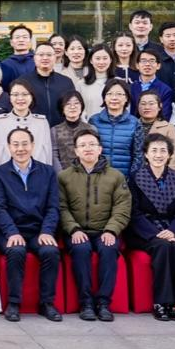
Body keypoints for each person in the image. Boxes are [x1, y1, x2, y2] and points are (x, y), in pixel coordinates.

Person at [58, 128, 131, 321]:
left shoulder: (116, 176)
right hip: (76, 230)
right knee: (81, 249)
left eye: (92, 144)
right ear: (76, 151)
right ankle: (86, 303)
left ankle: (103, 303)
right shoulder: (64, 177)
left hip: (104, 230)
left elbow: (122, 207)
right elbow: (61, 207)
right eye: (82, 145)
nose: (87, 148)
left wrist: (111, 230)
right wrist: (73, 228)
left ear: (100, 149)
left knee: (109, 249)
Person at [0, 127, 62, 322]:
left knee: (50, 251)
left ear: (32, 146)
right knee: (16, 250)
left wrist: (47, 231)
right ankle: (14, 303)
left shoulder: (47, 172)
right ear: (8, 147)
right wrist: (12, 232)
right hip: (9, 231)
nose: (20, 148)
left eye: (24, 144)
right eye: (15, 144)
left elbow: (53, 207)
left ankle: (47, 303)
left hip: (38, 231)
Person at [128, 132, 175, 321]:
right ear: (146, 154)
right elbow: (134, 213)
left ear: (169, 154)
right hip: (144, 231)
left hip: (171, 229)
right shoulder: (135, 178)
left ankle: (173, 303)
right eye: (154, 150)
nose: (158, 155)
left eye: (163, 150)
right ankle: (160, 302)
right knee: (163, 246)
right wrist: (156, 233)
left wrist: (173, 231)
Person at [0, 80, 54, 167]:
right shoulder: (0, 122)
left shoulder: (41, 122)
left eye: (25, 94)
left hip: (37, 172)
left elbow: (47, 154)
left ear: (31, 97)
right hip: (7, 173)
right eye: (15, 95)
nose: (20, 98)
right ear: (10, 97)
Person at [88, 78, 139, 175]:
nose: (114, 98)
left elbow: (138, 155)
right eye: (109, 94)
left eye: (119, 94)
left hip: (124, 178)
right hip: (98, 177)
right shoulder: (94, 121)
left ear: (126, 98)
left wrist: (131, 177)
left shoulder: (135, 123)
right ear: (104, 98)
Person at [20, 43, 76, 128]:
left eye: (49, 55)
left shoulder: (66, 82)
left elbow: (73, 105)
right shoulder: (23, 82)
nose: (45, 58)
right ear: (34, 58)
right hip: (32, 129)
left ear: (55, 58)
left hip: (61, 130)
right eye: (41, 55)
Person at [131, 90, 175, 175]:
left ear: (160, 106)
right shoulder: (131, 126)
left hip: (161, 176)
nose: (147, 107)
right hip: (133, 175)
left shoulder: (168, 128)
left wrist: (170, 178)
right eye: (143, 104)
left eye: (151, 103)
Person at [130, 48, 174, 121]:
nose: (147, 64)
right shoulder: (130, 88)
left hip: (156, 126)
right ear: (137, 65)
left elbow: (165, 115)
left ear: (158, 65)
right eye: (143, 61)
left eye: (152, 61)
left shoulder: (165, 90)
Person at [51, 91, 91, 173]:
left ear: (81, 107)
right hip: (63, 175)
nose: (72, 107)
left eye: (76, 103)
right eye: (68, 104)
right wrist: (62, 175)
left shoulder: (90, 129)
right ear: (62, 108)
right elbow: (54, 155)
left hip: (87, 174)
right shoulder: (55, 130)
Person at [77, 44, 112, 115]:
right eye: (97, 58)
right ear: (91, 60)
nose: (101, 62)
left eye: (105, 58)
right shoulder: (81, 84)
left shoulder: (118, 82)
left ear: (111, 60)